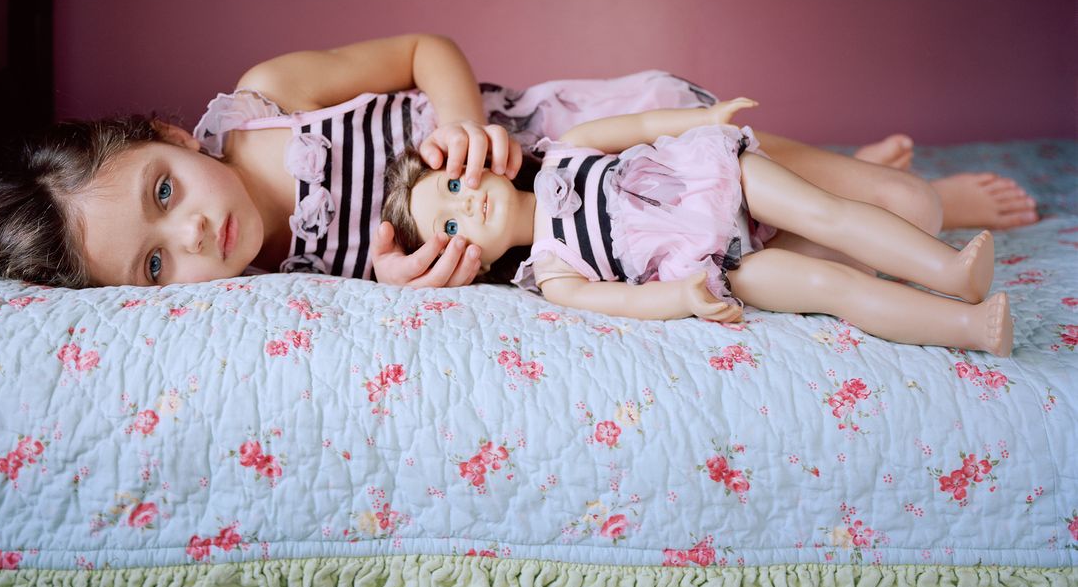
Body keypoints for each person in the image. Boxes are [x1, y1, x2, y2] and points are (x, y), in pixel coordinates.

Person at [0, 33, 1037, 290]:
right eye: (151, 266)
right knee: (752, 243)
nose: (190, 235)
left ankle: (906, 177)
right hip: (577, 226)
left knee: (895, 204)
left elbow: (426, 48)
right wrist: (426, 273)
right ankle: (855, 173)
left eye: (163, 192)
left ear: (175, 140)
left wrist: (463, 121)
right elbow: (431, 259)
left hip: (570, 142)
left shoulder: (264, 99)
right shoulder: (276, 278)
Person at [380, 98, 1014, 356]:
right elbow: (622, 299)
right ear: (470, 262)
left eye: (456, 186)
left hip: (719, 179)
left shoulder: (565, 148)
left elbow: (635, 129)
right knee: (827, 287)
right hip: (724, 263)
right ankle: (968, 327)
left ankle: (949, 271)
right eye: (452, 222)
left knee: (831, 213)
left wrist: (703, 114)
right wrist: (681, 297)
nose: (470, 204)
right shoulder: (552, 271)